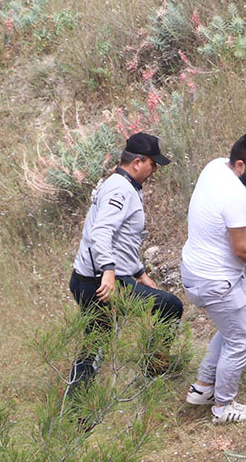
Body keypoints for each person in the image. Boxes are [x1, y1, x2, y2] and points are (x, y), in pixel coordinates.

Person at [179, 133, 246, 424]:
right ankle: (223, 407)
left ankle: (203, 387)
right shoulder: (235, 194)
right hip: (217, 282)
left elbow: (226, 209)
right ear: (240, 165)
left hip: (195, 271)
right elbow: (242, 249)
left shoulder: (215, 168)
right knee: (240, 340)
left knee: (237, 326)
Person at [68, 133, 182, 396]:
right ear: (138, 162)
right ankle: (155, 367)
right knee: (170, 306)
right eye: (154, 164)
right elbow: (101, 232)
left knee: (96, 344)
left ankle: (76, 407)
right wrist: (108, 271)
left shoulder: (123, 185)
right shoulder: (120, 189)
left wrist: (140, 273)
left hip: (95, 279)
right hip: (100, 283)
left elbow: (122, 240)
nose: (155, 170)